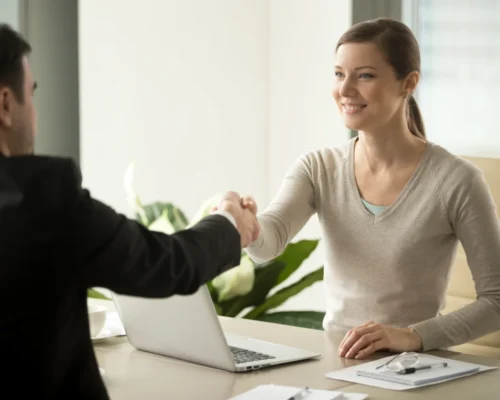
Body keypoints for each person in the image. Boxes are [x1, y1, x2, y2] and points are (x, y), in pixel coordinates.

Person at [0, 24, 258, 399]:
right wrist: (231, 223)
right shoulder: (44, 200)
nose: (35, 114)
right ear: (5, 104)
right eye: (31, 95)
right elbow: (166, 263)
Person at [236, 18, 500, 360]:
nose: (345, 90)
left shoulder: (457, 181)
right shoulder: (318, 168)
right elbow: (268, 244)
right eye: (338, 74)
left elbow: (496, 301)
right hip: (336, 362)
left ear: (409, 83)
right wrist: (248, 224)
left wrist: (410, 336)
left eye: (364, 75)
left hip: (416, 369)